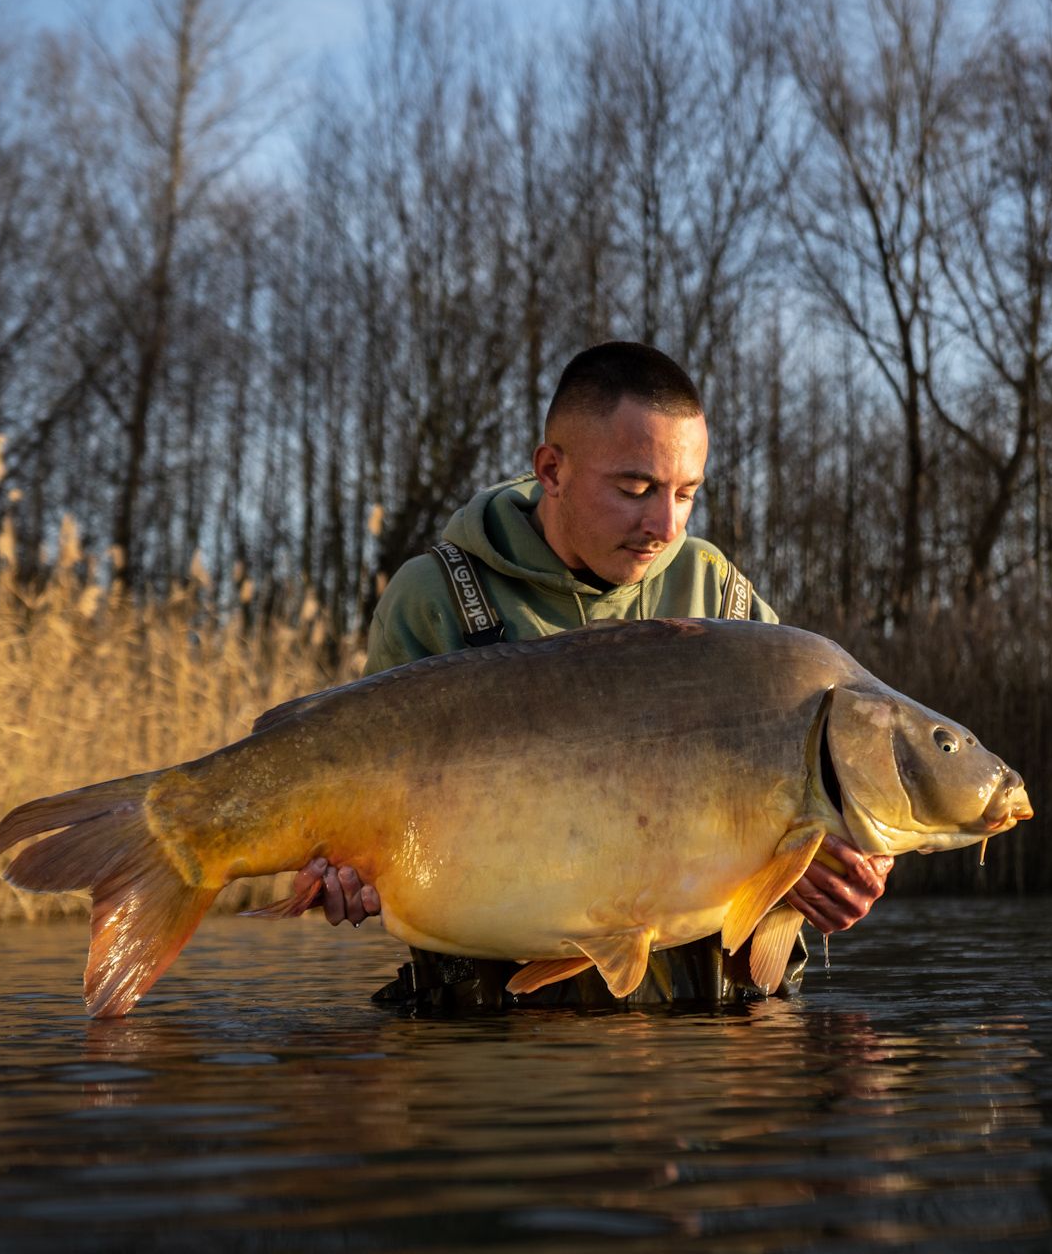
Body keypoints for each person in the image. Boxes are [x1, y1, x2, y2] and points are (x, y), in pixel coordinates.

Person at [298, 340, 891, 1009]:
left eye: (686, 493)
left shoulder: (723, 602)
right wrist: (344, 872)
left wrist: (843, 873)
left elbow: (809, 819)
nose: (664, 524)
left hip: (715, 1053)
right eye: (635, 489)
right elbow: (360, 811)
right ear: (551, 470)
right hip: (499, 1049)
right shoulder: (437, 598)